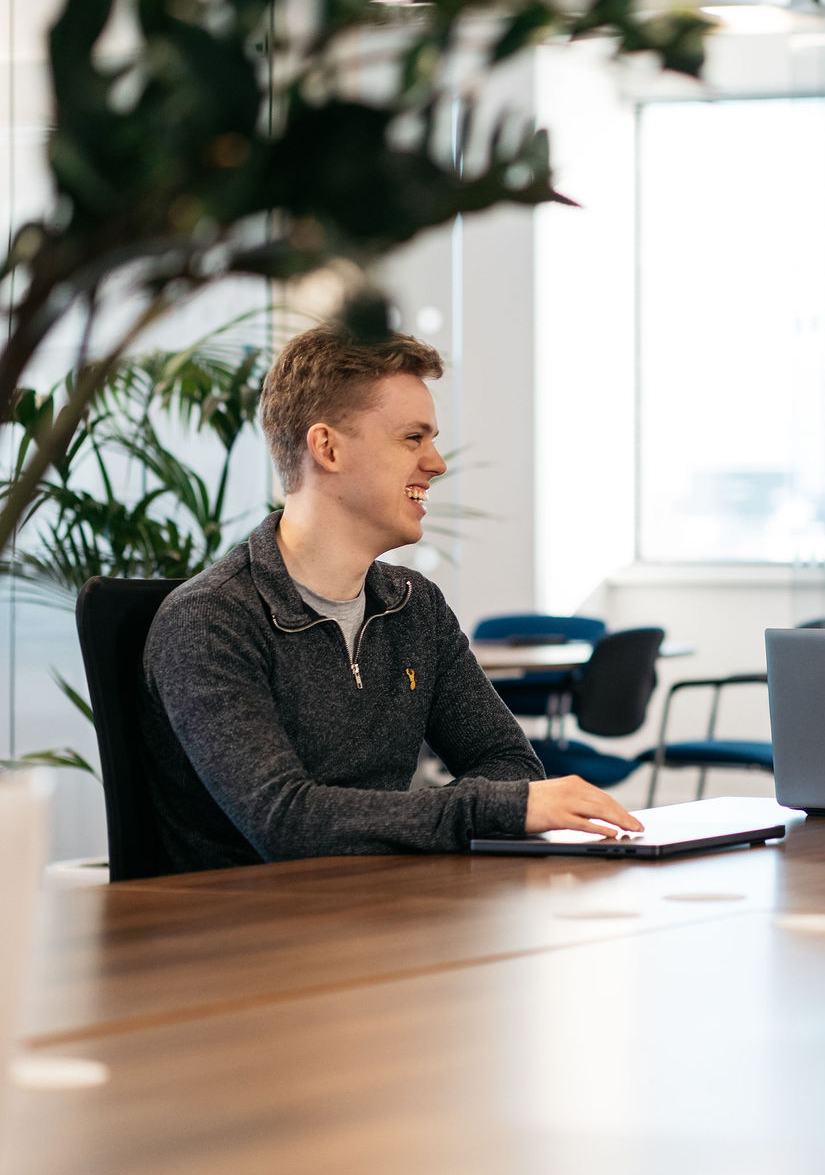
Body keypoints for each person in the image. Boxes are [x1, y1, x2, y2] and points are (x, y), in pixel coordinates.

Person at [141, 324, 642, 873]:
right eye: (413, 438)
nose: (437, 463)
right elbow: (287, 822)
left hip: (382, 913)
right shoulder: (211, 620)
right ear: (327, 447)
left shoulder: (413, 606)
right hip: (250, 939)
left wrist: (487, 806)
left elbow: (508, 764)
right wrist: (484, 810)